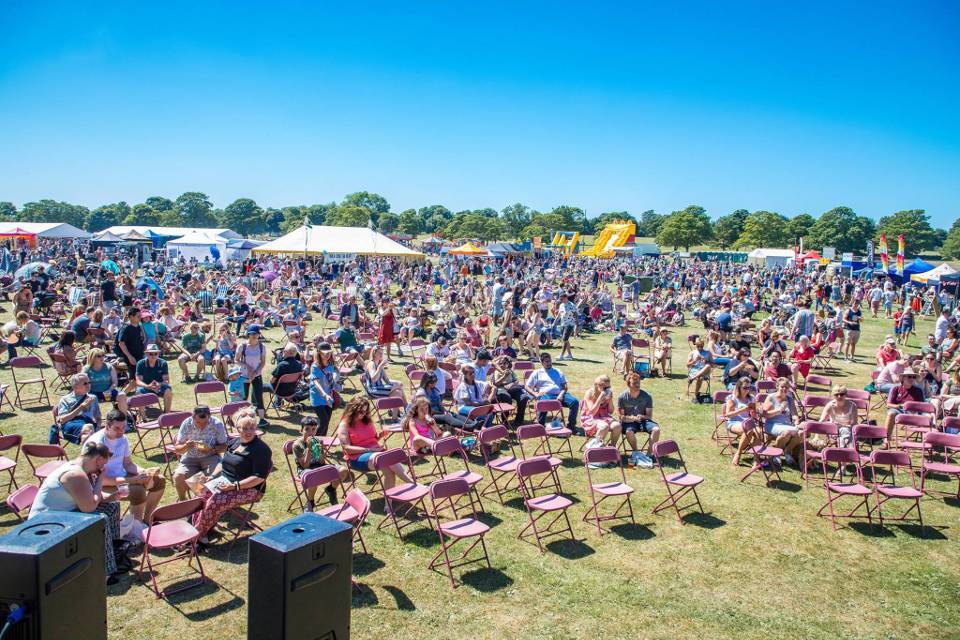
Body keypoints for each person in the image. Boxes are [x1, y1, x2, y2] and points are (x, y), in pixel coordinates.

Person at [29, 440, 128, 584]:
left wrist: (112, 497)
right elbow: (89, 508)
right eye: (103, 463)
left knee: (112, 506)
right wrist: (100, 478)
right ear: (98, 459)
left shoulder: (81, 470)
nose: (103, 467)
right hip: (46, 523)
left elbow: (91, 499)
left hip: (64, 514)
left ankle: (113, 552)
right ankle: (105, 573)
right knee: (101, 519)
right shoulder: (75, 475)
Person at [192, 414, 273, 544]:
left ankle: (197, 536)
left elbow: (258, 478)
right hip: (225, 482)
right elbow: (222, 463)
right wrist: (212, 476)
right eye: (245, 428)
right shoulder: (234, 442)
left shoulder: (261, 449)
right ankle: (200, 528)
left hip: (250, 489)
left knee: (216, 501)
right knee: (200, 491)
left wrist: (234, 487)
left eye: (252, 428)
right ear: (237, 429)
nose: (249, 432)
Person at [86, 409, 166, 522]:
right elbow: (99, 480)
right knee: (138, 491)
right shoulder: (97, 444)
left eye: (124, 427)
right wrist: (132, 480)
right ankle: (135, 526)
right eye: (117, 428)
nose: (121, 432)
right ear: (107, 426)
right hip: (104, 483)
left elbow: (128, 464)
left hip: (122, 476)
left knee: (159, 480)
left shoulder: (123, 439)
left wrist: (144, 471)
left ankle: (147, 521)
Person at [336, 397, 412, 512]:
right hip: (357, 458)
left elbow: (372, 438)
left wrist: (380, 436)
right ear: (352, 410)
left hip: (375, 453)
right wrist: (370, 450)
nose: (363, 414)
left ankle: (388, 505)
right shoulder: (344, 425)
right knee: (383, 458)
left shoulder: (366, 420)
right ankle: (411, 483)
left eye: (366, 411)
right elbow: (347, 448)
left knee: (389, 471)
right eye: (361, 412)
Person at [172, 405, 230, 501]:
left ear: (209, 417)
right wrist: (186, 446)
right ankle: (182, 500)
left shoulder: (216, 424)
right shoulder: (187, 424)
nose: (202, 425)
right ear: (193, 417)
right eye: (198, 422)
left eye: (205, 422)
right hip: (190, 458)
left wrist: (212, 449)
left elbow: (225, 446)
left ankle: (213, 500)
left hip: (211, 456)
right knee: (178, 476)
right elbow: (177, 449)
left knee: (217, 474)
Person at [293, 416, 348, 511]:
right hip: (305, 470)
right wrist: (309, 449)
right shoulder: (297, 445)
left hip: (318, 466)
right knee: (313, 476)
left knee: (343, 470)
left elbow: (322, 462)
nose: (310, 432)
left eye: (313, 429)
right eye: (307, 429)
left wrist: (320, 450)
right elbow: (305, 465)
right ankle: (310, 501)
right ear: (301, 430)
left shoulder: (317, 441)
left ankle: (331, 490)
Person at [526, 352, 579, 431]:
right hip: (545, 394)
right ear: (541, 362)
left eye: (550, 361)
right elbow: (527, 386)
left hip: (559, 395)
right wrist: (535, 394)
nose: (549, 363)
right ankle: (540, 426)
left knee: (574, 402)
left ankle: (571, 426)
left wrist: (561, 394)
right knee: (543, 403)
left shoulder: (558, 371)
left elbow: (565, 386)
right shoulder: (537, 373)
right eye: (546, 362)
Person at [617, 372, 660, 466]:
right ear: (629, 384)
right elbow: (621, 416)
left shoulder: (647, 396)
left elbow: (649, 416)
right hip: (629, 422)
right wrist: (630, 418)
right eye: (634, 383)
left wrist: (642, 416)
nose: (637, 385)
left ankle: (649, 455)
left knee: (656, 429)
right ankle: (636, 452)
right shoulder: (622, 397)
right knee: (629, 432)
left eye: (639, 383)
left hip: (643, 421)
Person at [759, 378, 802, 466]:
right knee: (786, 433)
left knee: (802, 433)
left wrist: (797, 422)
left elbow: (794, 414)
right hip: (772, 424)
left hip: (786, 425)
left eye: (786, 387)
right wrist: (779, 410)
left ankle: (787, 451)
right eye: (782, 387)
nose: (784, 389)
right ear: (777, 387)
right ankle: (776, 455)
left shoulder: (789, 399)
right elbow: (765, 414)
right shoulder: (771, 397)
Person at [53, 373, 101, 444]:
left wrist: (98, 428)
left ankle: (91, 453)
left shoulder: (93, 398)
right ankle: (89, 453)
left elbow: (98, 417)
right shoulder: (65, 399)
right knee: (89, 429)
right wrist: (80, 408)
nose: (88, 385)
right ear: (75, 386)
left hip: (89, 424)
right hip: (71, 424)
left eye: (89, 382)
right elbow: (62, 420)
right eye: (85, 383)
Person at [237, 325, 269, 428]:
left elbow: (263, 362)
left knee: (258, 397)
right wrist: (247, 367)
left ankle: (262, 419)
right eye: (252, 334)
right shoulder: (242, 346)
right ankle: (240, 418)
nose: (254, 335)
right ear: (248, 334)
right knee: (243, 397)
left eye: (256, 333)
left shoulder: (261, 347)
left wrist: (255, 372)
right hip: (244, 375)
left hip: (257, 375)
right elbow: (236, 360)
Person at [883, 367, 925, 440]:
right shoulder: (895, 388)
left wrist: (913, 408)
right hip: (900, 411)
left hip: (914, 413)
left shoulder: (918, 390)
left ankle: (929, 441)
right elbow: (888, 404)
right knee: (891, 413)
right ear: (903, 378)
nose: (911, 379)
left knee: (929, 416)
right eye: (909, 376)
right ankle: (886, 439)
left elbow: (923, 406)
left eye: (913, 377)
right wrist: (900, 406)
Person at [488, 354, 530, 427]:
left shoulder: (510, 371)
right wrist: (504, 377)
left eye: (504, 363)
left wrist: (511, 384)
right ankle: (505, 420)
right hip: (501, 388)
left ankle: (519, 420)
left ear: (508, 364)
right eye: (500, 363)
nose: (502, 365)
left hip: (512, 388)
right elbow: (496, 384)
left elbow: (516, 380)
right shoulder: (496, 372)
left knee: (524, 397)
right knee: (507, 398)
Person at [82, 348, 128, 414]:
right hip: (92, 392)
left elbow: (115, 382)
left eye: (103, 355)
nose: (102, 357)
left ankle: (124, 419)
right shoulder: (87, 369)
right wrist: (87, 390)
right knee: (89, 398)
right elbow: (82, 383)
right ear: (92, 357)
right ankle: (93, 421)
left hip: (108, 391)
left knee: (122, 395)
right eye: (99, 356)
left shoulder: (109, 367)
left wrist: (109, 390)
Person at [580, 375, 621, 446]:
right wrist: (600, 397)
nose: (607, 389)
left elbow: (611, 411)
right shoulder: (589, 393)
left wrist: (610, 399)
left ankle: (612, 447)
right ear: (597, 385)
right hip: (590, 417)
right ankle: (595, 447)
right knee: (604, 426)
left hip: (604, 416)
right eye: (605, 388)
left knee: (617, 426)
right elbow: (592, 412)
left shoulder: (607, 393)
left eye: (609, 387)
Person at [723, 377, 756, 466]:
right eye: (745, 388)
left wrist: (754, 413)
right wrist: (742, 410)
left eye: (749, 388)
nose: (747, 390)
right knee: (748, 430)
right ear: (739, 387)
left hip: (749, 421)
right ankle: (738, 453)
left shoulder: (752, 398)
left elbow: (754, 414)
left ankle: (756, 458)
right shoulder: (732, 398)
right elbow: (728, 415)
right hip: (734, 422)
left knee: (760, 433)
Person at [454, 363, 494, 430]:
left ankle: (485, 430)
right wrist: (482, 403)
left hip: (477, 406)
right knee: (480, 412)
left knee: (490, 412)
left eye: (473, 372)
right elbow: (468, 403)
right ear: (465, 375)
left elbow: (492, 386)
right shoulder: (463, 386)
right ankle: (479, 429)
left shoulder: (477, 383)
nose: (473, 374)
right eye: (470, 373)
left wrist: (489, 398)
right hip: (463, 407)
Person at [309, 343, 338, 435]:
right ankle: (313, 442)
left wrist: (335, 379)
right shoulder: (315, 366)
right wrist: (324, 394)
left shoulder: (330, 364)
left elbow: (332, 376)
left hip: (329, 397)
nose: (327, 355)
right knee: (324, 421)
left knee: (327, 422)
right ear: (319, 353)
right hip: (318, 397)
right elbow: (316, 383)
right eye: (324, 353)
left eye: (329, 353)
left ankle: (322, 445)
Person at [135, 343, 173, 412]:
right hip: (146, 387)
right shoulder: (140, 364)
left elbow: (166, 380)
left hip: (159, 387)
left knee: (168, 390)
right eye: (151, 354)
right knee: (139, 392)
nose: (153, 355)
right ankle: (143, 418)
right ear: (146, 354)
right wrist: (147, 386)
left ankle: (167, 413)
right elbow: (138, 381)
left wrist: (159, 384)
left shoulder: (163, 363)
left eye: (155, 353)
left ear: (158, 354)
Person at [115, 307, 147, 374]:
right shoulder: (125, 328)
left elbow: (143, 339)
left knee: (140, 377)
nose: (140, 318)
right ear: (131, 316)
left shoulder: (138, 326)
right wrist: (129, 357)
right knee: (135, 379)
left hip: (138, 355)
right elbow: (121, 343)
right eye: (138, 316)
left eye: (140, 316)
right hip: (130, 357)